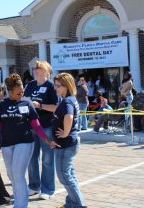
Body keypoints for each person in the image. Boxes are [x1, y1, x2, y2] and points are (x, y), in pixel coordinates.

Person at [0, 74, 58, 208]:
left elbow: (36, 125)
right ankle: (20, 201)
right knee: (11, 175)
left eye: (23, 92)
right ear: (10, 90)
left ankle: (20, 205)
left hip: (25, 142)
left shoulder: (27, 103)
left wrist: (47, 139)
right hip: (7, 144)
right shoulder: (1, 105)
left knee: (18, 174)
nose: (22, 94)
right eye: (18, 92)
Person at [24, 61, 58, 199]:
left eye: (38, 68)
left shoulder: (51, 86)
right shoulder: (31, 85)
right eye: (35, 68)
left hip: (47, 126)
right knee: (32, 158)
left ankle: (48, 189)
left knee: (48, 159)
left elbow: (56, 107)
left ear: (45, 71)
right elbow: (24, 101)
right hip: (31, 126)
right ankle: (33, 186)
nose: (35, 69)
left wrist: (41, 105)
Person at [52, 73, 87, 208]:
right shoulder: (68, 99)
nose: (56, 88)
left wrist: (65, 132)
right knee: (70, 174)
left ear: (65, 86)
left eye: (58, 86)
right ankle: (72, 203)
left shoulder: (67, 101)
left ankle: (78, 204)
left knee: (64, 176)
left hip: (66, 145)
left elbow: (69, 116)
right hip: (66, 144)